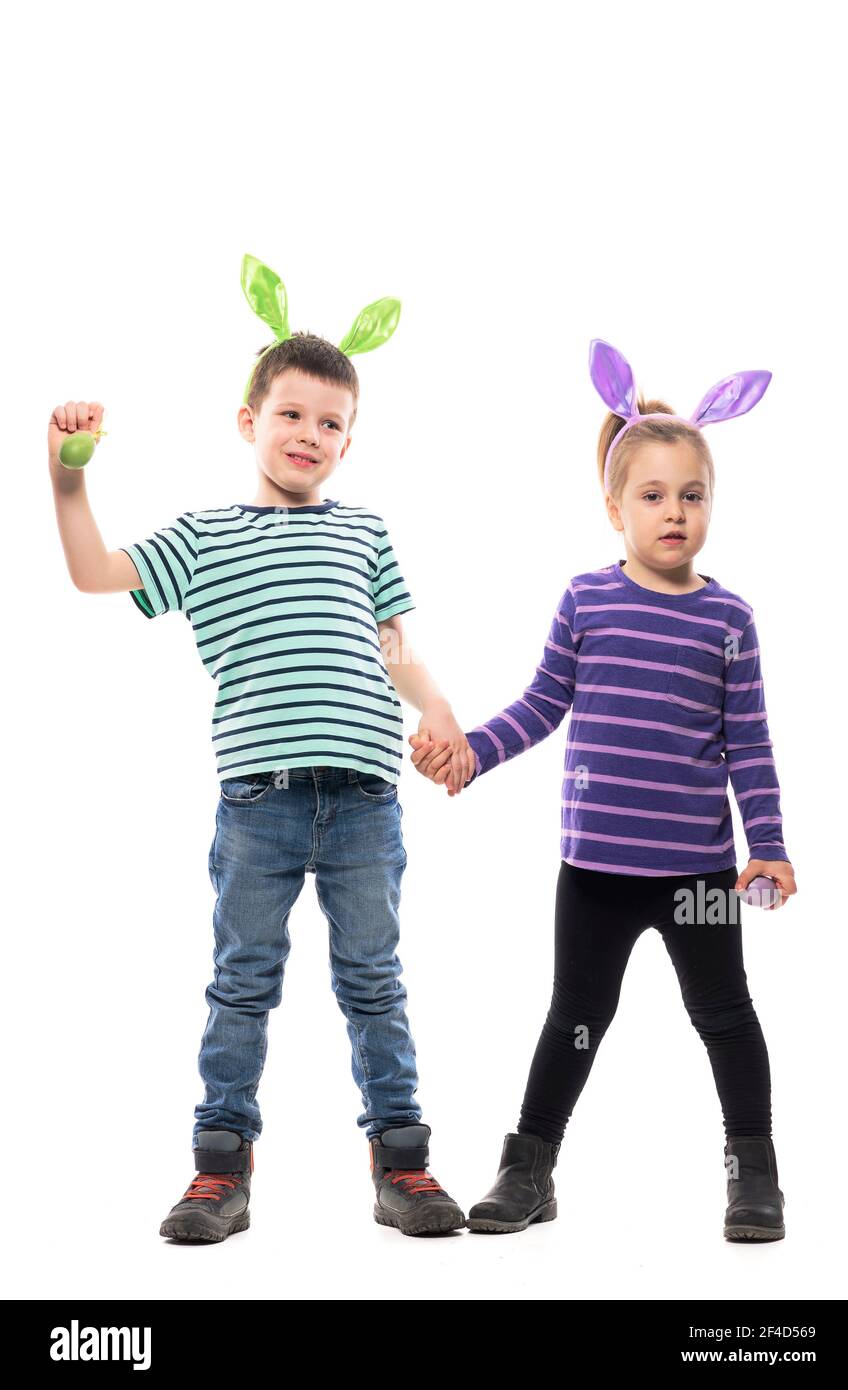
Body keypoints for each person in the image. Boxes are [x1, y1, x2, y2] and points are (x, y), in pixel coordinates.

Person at [46, 258, 475, 1242]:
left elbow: (394, 643)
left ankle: (400, 1165)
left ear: (348, 442)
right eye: (290, 415)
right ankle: (218, 1170)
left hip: (365, 797)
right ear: (249, 421)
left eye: (330, 424)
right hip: (259, 803)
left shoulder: (363, 532)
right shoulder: (203, 535)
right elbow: (93, 573)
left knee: (373, 976)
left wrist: (440, 710)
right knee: (242, 977)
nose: (308, 437)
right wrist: (68, 478)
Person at [410, 339, 797, 1242]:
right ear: (614, 506)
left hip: (699, 875)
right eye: (653, 495)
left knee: (728, 1019)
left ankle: (754, 1173)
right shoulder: (588, 600)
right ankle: (529, 1167)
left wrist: (768, 845)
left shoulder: (729, 619)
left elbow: (752, 746)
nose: (674, 512)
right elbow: (542, 705)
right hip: (595, 873)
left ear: (712, 506)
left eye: (692, 495)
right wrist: (469, 752)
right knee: (575, 1020)